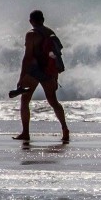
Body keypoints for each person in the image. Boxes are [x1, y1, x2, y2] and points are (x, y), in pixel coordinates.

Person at [13, 10, 70, 142]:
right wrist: (55, 76)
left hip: (33, 71)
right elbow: (55, 56)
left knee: (25, 101)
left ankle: (25, 132)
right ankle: (65, 129)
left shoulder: (31, 35)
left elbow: (27, 58)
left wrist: (21, 77)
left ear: (31, 21)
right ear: (43, 20)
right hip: (48, 71)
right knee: (53, 101)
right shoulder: (51, 33)